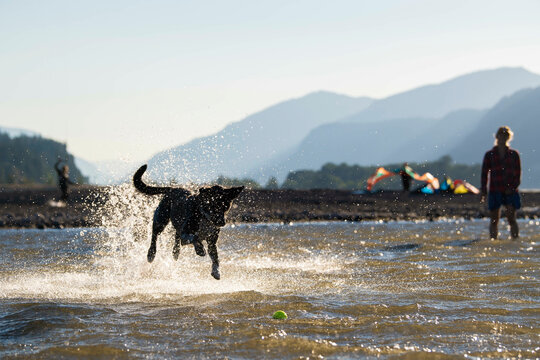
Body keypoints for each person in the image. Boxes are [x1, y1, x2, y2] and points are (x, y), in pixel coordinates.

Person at [481, 126, 521, 239]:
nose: (503, 137)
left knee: (511, 218)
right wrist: (483, 191)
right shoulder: (489, 155)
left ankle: (515, 240)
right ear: (497, 136)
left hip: (510, 191)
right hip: (495, 190)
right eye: (501, 135)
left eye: (505, 135)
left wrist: (512, 188)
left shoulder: (514, 154)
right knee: (494, 220)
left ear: (509, 137)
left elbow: (517, 175)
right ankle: (493, 241)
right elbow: (484, 174)